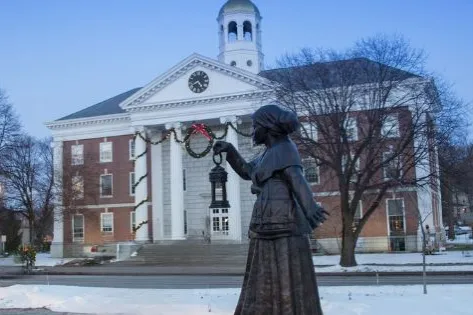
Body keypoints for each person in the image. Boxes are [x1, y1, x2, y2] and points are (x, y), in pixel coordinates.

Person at [213, 104, 327, 315]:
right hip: (266, 222)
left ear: (267, 126)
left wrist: (310, 208)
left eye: (255, 125)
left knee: (285, 270)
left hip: (284, 221)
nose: (253, 130)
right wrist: (229, 150)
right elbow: (247, 172)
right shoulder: (268, 153)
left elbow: (296, 179)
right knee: (264, 271)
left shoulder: (285, 149)